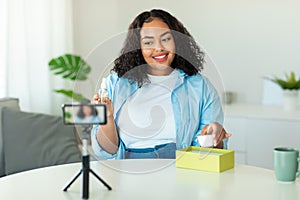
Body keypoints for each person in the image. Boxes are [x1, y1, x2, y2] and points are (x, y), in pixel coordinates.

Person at [92, 9, 225, 159]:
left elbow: (207, 152)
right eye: (148, 42)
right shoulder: (115, 84)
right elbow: (105, 151)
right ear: (138, 48)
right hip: (127, 171)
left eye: (166, 39)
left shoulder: (200, 86)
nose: (159, 48)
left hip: (180, 170)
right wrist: (107, 117)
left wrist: (213, 136)